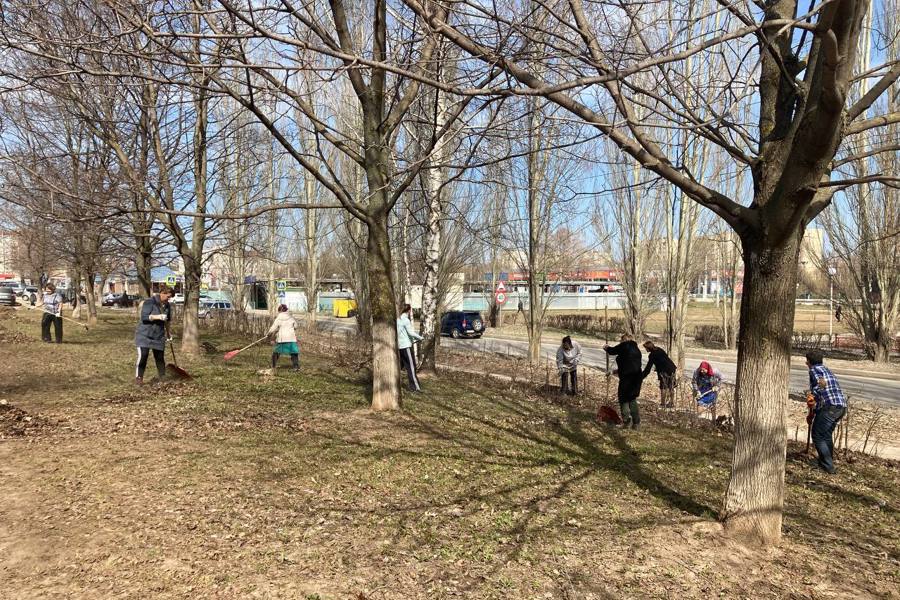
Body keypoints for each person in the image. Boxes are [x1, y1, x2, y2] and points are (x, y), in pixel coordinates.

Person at [806, 350, 848, 474]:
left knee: (818, 436)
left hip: (830, 407)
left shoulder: (814, 370)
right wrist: (812, 413)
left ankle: (828, 466)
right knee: (826, 435)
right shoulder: (826, 370)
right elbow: (823, 393)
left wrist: (812, 395)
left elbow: (821, 386)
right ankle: (825, 462)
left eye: (807, 361)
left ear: (808, 362)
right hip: (840, 407)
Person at [134, 285, 173, 385]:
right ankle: (139, 378)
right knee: (143, 355)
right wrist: (158, 317)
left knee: (159, 357)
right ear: (162, 293)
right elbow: (144, 317)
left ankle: (162, 377)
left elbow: (167, 321)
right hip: (144, 334)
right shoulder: (150, 302)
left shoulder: (167, 305)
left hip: (158, 335)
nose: (169, 299)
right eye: (168, 297)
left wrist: (168, 333)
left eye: (170, 297)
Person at [604, 333, 643, 429]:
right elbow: (628, 365)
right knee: (632, 398)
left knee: (623, 398)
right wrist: (613, 371)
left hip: (627, 378)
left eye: (621, 341)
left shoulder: (625, 345)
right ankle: (636, 423)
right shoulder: (637, 350)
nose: (620, 342)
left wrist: (606, 347)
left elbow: (612, 351)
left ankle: (626, 421)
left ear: (624, 340)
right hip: (637, 378)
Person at [641, 341, 678, 408]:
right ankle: (671, 403)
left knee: (663, 387)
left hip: (664, 371)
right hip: (672, 368)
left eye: (646, 348)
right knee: (671, 386)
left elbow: (648, 368)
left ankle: (663, 403)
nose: (645, 349)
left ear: (648, 348)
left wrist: (642, 376)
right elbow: (665, 357)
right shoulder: (659, 349)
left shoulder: (652, 355)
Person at [397, 304, 423, 392]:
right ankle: (415, 388)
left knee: (399, 366)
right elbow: (411, 333)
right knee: (411, 368)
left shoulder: (397, 320)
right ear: (408, 311)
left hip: (399, 347)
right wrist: (420, 337)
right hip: (406, 347)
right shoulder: (406, 320)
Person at [267, 304, 300, 372]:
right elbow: (296, 326)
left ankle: (273, 366)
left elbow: (273, 328)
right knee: (294, 353)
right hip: (291, 338)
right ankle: (296, 367)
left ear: (279, 311)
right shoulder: (291, 317)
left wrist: (268, 334)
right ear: (286, 310)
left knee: (276, 352)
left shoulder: (278, 318)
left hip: (282, 339)